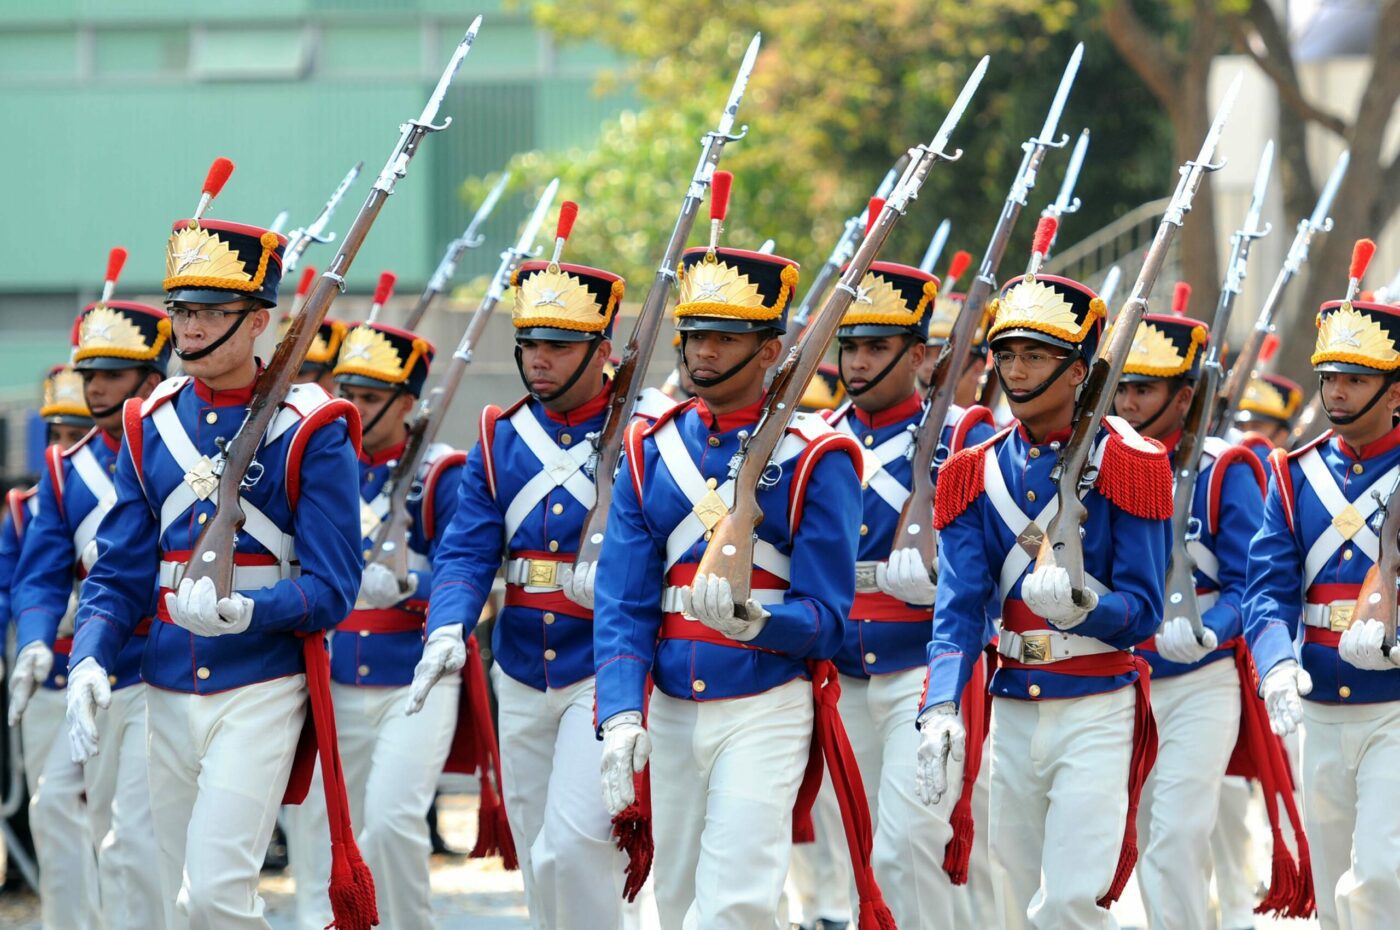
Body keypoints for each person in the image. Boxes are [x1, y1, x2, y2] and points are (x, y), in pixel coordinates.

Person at [63, 205, 366, 930]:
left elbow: (334, 587)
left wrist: (253, 612)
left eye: (209, 311)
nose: (189, 328)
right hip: (164, 679)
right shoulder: (149, 421)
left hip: (260, 683)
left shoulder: (310, 427)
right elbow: (121, 569)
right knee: (177, 899)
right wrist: (91, 657)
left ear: (258, 319)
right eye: (180, 309)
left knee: (217, 897)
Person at [593, 239, 869, 930]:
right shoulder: (649, 447)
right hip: (670, 703)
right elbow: (623, 601)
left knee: (737, 904)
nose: (702, 353)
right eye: (693, 336)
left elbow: (829, 619)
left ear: (772, 350)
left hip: (765, 701)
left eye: (723, 338)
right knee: (678, 901)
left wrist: (759, 625)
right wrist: (622, 710)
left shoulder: (816, 458)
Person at [409, 220, 653, 930]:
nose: (539, 360)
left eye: (559, 347)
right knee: (539, 852)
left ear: (602, 352)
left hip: (604, 667)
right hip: (519, 664)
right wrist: (448, 625)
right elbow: (466, 549)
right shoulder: (500, 436)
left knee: (575, 850)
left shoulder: (642, 432)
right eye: (531, 346)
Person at [918, 266, 1172, 929]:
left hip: (1096, 702)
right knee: (1013, 900)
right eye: (1007, 354)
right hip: (1013, 702)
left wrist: (1088, 607)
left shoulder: (1131, 461)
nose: (1017, 370)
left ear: (1080, 368)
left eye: (1037, 355)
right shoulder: (973, 471)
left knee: (1067, 903)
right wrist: (942, 701)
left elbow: (1145, 610)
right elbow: (959, 611)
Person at [825, 258, 995, 927]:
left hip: (926, 667)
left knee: (908, 851)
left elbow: (992, 552)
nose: (858, 362)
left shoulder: (964, 434)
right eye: (851, 346)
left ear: (920, 355)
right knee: (860, 859)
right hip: (839, 668)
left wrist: (944, 580)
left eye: (877, 347)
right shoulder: (820, 437)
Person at [291, 318, 465, 930]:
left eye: (369, 398)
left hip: (411, 675)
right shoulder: (321, 463)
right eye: (349, 392)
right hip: (331, 674)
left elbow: (462, 571)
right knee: (318, 829)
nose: (354, 408)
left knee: (391, 821)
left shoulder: (442, 473)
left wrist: (411, 585)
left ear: (408, 403)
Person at [11, 288, 173, 930]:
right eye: (89, 374)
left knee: (135, 840)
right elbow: (41, 575)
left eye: (112, 374)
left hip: (174, 663)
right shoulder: (62, 471)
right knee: (107, 830)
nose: (95, 388)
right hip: (103, 671)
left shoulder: (185, 449)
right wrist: (31, 640)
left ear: (151, 376)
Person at [1244, 285, 1400, 929]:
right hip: (1318, 700)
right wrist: (1276, 662)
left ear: (1395, 391)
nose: (1335, 392)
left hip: (1395, 703)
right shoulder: (1293, 474)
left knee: (1381, 875)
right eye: (1329, 376)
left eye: (1355, 378)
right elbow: (1267, 590)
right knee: (1335, 884)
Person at [1109, 304, 1268, 929]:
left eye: (1144, 388)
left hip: (1203, 679)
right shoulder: (1100, 462)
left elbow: (1253, 586)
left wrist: (1210, 630)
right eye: (1121, 386)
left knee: (1176, 835)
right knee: (1145, 842)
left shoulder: (1225, 470)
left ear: (1185, 396)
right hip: (1127, 677)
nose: (1126, 401)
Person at [2, 362, 99, 930]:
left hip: (119, 675)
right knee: (52, 808)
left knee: (122, 822)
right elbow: (7, 585)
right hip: (49, 677)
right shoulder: (26, 507)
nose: (64, 447)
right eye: (56, 434)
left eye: (76, 433)